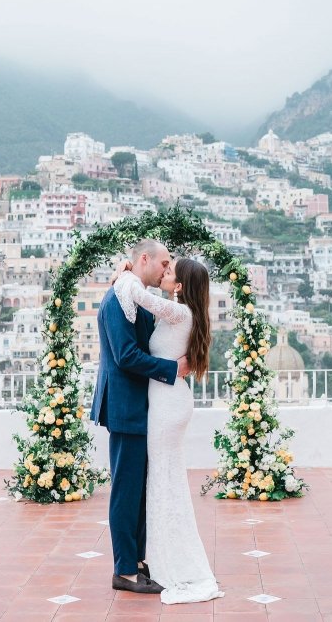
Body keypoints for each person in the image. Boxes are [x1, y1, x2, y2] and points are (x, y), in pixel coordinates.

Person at [112, 256, 225, 604]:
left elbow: (137, 294)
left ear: (179, 286)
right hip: (166, 400)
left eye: (170, 270)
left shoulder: (179, 312)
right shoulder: (181, 313)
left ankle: (166, 559)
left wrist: (124, 272)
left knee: (163, 480)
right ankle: (161, 555)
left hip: (167, 404)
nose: (164, 272)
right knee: (163, 480)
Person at [90, 239, 189, 595]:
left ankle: (137, 561)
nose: (166, 270)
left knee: (140, 490)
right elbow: (126, 356)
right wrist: (172, 370)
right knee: (126, 490)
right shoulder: (119, 297)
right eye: (163, 263)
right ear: (143, 259)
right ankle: (124, 571)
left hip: (141, 407)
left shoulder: (135, 294)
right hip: (125, 407)